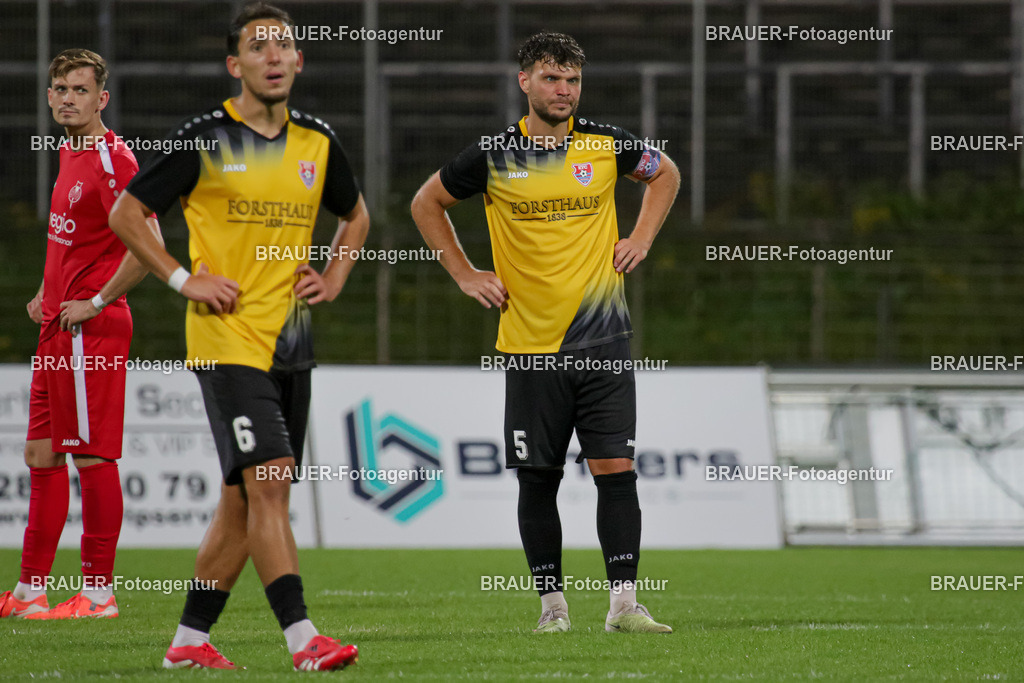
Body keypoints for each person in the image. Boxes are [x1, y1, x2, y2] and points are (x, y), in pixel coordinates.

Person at [108, 1, 370, 671]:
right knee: (272, 484)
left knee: (241, 500)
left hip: (293, 342)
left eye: (285, 46)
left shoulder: (318, 140)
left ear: (300, 61)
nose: (274, 57)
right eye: (260, 47)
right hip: (226, 344)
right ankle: (303, 638)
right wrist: (180, 278)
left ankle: (189, 642)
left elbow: (357, 215)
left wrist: (336, 276)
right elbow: (128, 211)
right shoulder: (204, 137)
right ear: (236, 65)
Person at [411, 31, 680, 634]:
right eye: (552, 78)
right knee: (539, 479)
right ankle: (552, 609)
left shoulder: (606, 145)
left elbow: (664, 174)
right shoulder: (492, 154)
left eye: (573, 81)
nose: (564, 91)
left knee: (616, 472)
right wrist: (464, 273)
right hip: (531, 348)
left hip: (605, 339)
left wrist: (640, 239)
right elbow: (426, 203)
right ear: (525, 81)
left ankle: (623, 607)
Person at [0, 49, 153, 621]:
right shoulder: (69, 151)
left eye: (80, 90)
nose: (68, 98)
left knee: (91, 458)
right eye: (60, 89)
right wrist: (48, 287)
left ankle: (98, 595)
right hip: (56, 327)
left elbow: (149, 241)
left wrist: (97, 300)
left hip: (91, 330)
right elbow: (71, 238)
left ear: (102, 99)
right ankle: (30, 592)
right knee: (41, 454)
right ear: (49, 97)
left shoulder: (114, 160)